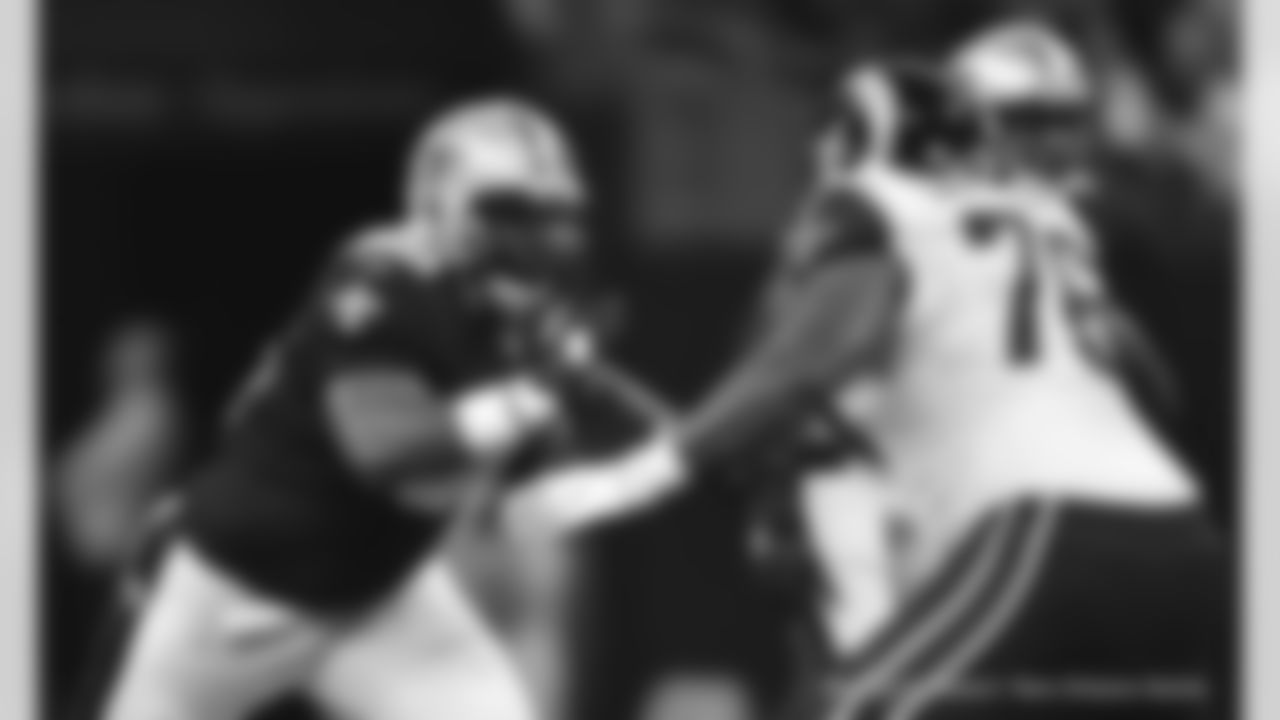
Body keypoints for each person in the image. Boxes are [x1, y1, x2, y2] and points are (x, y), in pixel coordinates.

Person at [507, 21, 1228, 720]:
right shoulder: (1057, 233)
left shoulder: (894, 213)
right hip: (1182, 542)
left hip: (1043, 533)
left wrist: (641, 470)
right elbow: (1150, 385)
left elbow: (791, 365)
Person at [91, 97, 662, 720]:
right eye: (509, 212)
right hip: (244, 593)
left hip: (379, 593)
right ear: (437, 204)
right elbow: (385, 450)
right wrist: (527, 398)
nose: (539, 239)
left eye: (553, 216)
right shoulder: (382, 282)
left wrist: (622, 444)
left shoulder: (511, 317)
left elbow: (528, 476)